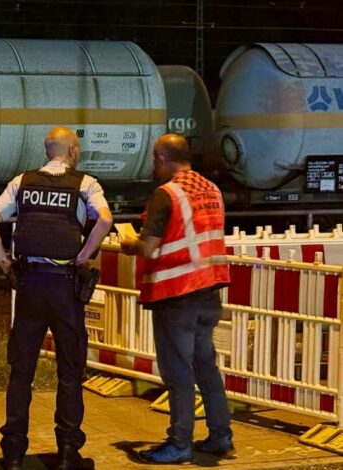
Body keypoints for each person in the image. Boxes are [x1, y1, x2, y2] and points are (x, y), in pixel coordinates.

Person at [0, 126, 112, 470]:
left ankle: (13, 454)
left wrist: (3, 261)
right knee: (70, 371)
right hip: (65, 288)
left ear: (47, 151)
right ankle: (67, 453)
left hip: (29, 286)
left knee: (21, 371)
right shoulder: (86, 184)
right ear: (73, 151)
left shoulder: (22, 182)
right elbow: (105, 219)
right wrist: (83, 255)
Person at [120, 133, 232, 464]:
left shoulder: (166, 194)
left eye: (155, 160)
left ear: (161, 158)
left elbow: (149, 246)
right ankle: (220, 436)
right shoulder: (212, 189)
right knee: (206, 366)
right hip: (209, 292)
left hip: (177, 294)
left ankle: (179, 443)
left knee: (178, 372)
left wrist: (127, 243)